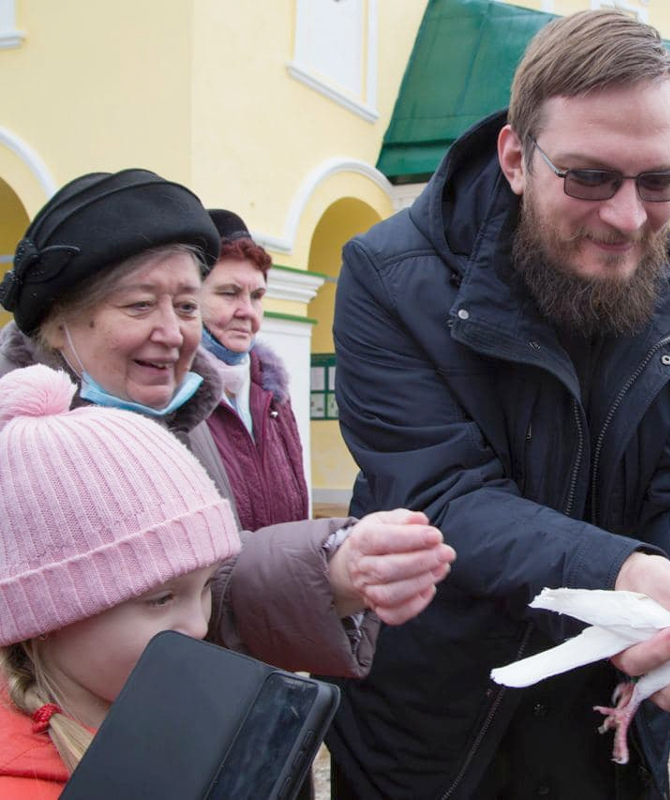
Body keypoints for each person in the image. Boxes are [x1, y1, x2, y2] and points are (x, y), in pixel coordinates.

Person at [327, 10, 670, 799]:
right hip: (433, 719)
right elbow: (440, 494)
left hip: (607, 709)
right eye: (590, 177)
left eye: (660, 181)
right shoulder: (388, 275)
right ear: (514, 158)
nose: (628, 217)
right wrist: (622, 570)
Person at [0, 168, 457, 675]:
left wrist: (335, 569)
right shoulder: (17, 444)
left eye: (187, 306)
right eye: (140, 305)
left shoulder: (181, 413)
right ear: (58, 322)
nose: (172, 333)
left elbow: (207, 579)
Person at [0, 365, 448, 798]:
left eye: (207, 587)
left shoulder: (156, 714)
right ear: (46, 612)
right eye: (160, 599)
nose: (198, 626)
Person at [200, 208, 308, 530]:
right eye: (228, 293)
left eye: (257, 296)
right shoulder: (171, 397)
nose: (247, 312)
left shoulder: (272, 395)